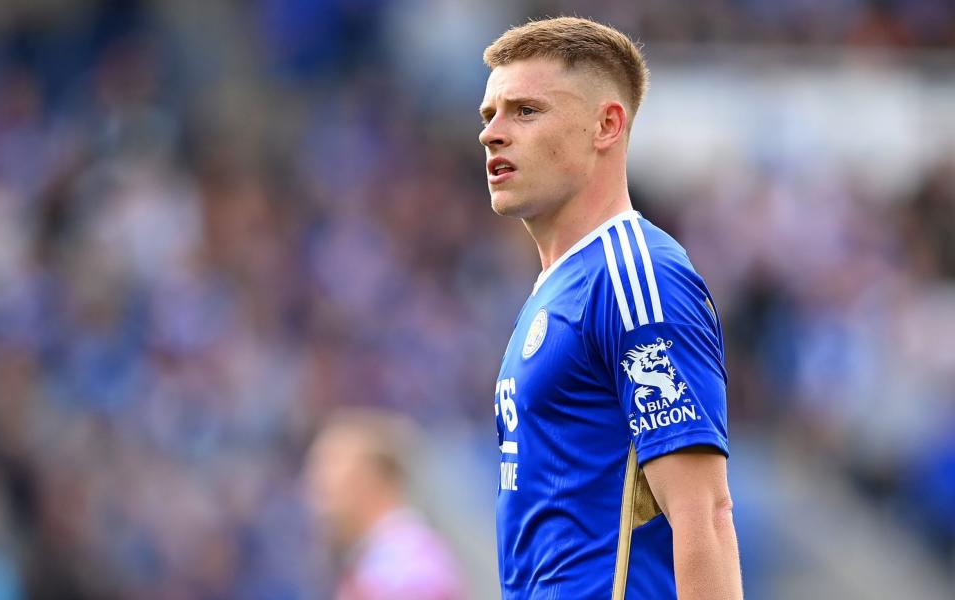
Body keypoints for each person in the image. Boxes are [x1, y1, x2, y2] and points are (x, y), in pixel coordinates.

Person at [479, 17, 743, 599]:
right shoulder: (558, 286)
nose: (492, 134)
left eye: (524, 111)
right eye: (489, 115)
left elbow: (707, 515)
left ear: (606, 124)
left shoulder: (634, 277)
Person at [303, 409, 464, 600]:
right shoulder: (378, 562)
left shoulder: (406, 568)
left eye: (328, 477)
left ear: (369, 480)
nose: (314, 495)